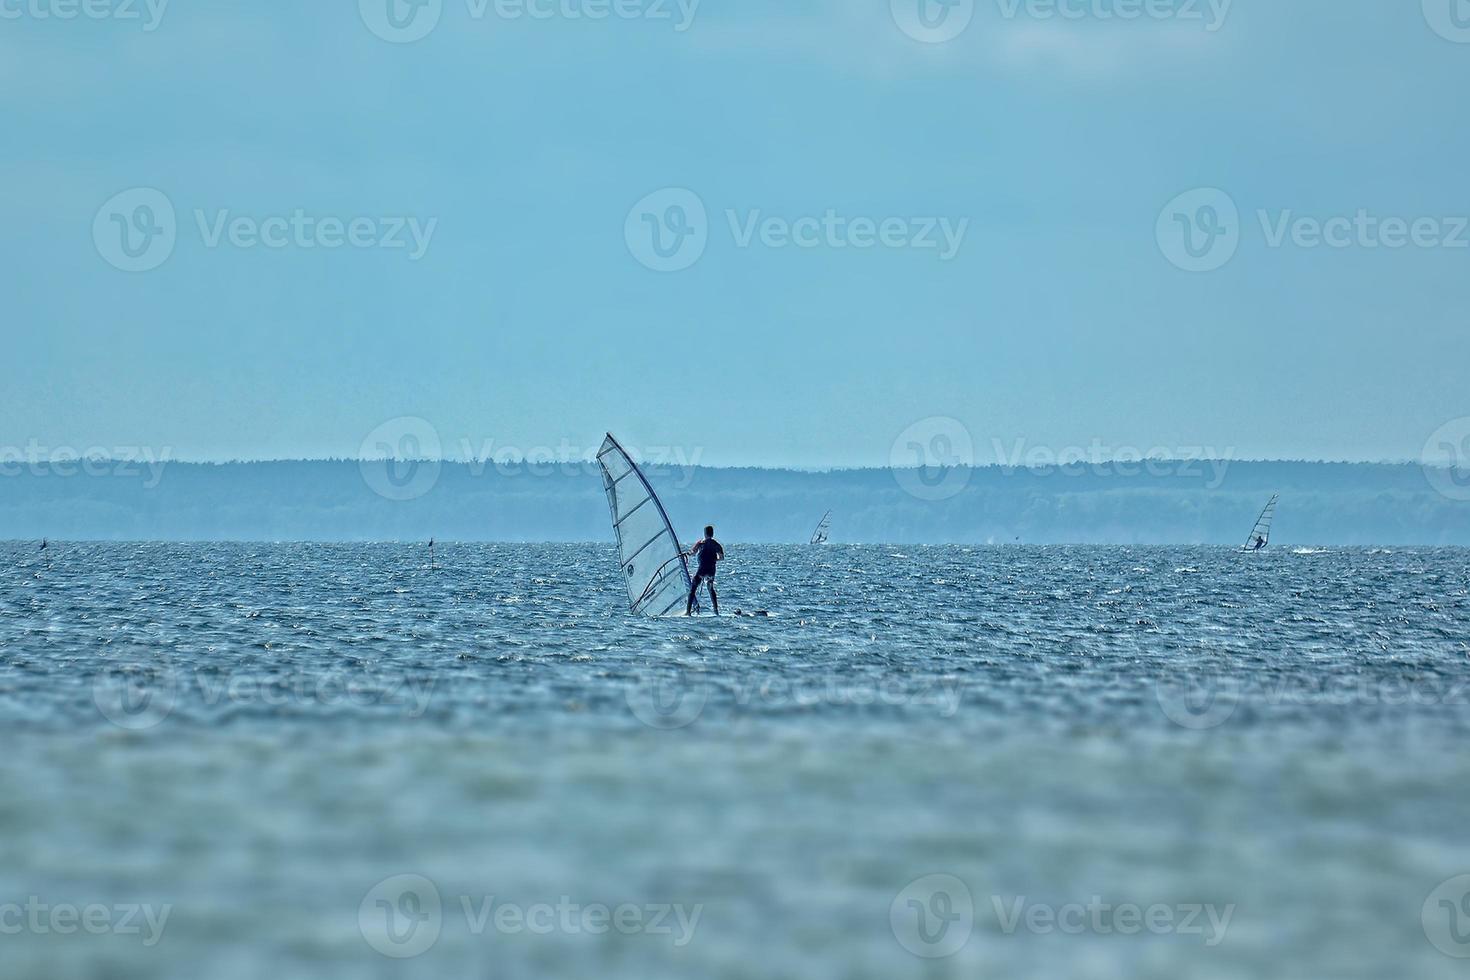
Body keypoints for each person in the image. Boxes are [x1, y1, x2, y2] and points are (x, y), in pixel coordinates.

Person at [685, 525, 724, 616]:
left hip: (702, 570)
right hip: (711, 570)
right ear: (712, 533)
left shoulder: (701, 543)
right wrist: (714, 560)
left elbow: (693, 552)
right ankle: (716, 610)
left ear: (705, 533)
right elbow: (721, 558)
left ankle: (688, 612)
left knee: (693, 589)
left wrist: (687, 553)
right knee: (710, 588)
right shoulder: (716, 544)